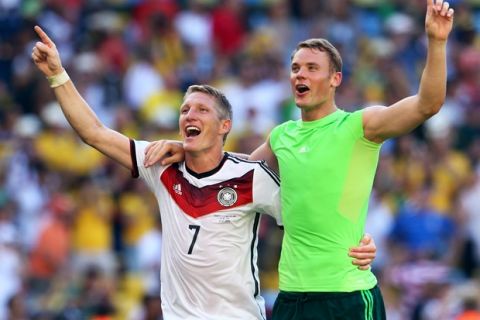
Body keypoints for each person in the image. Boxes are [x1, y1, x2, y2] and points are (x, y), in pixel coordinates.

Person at [30, 26, 376, 319]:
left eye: (201, 110)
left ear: (225, 125)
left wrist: (358, 242)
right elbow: (94, 133)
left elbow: (309, 219)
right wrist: (58, 76)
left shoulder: (252, 177)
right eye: (184, 109)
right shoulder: (161, 166)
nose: (189, 115)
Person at [144, 0, 455, 319]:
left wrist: (437, 41)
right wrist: (189, 148)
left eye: (311, 68)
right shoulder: (281, 136)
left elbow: (427, 105)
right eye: (295, 68)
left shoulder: (359, 126)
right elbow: (234, 172)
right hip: (292, 297)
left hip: (345, 294)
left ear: (336, 79)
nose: (299, 75)